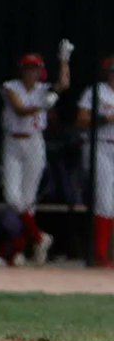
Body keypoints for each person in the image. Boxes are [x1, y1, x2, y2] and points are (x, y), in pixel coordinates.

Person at [1, 43, 71, 266]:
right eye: (27, 68)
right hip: (13, 142)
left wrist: (64, 59)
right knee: (12, 197)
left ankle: (19, 252)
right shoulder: (10, 86)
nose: (31, 72)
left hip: (34, 143)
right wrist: (42, 105)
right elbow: (19, 108)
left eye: (35, 69)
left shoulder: (43, 88)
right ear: (21, 69)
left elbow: (64, 83)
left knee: (28, 200)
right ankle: (40, 237)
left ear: (40, 71)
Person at [75, 56, 114, 268]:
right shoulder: (96, 91)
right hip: (100, 145)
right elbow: (80, 121)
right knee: (105, 201)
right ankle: (100, 256)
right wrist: (106, 119)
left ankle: (107, 254)